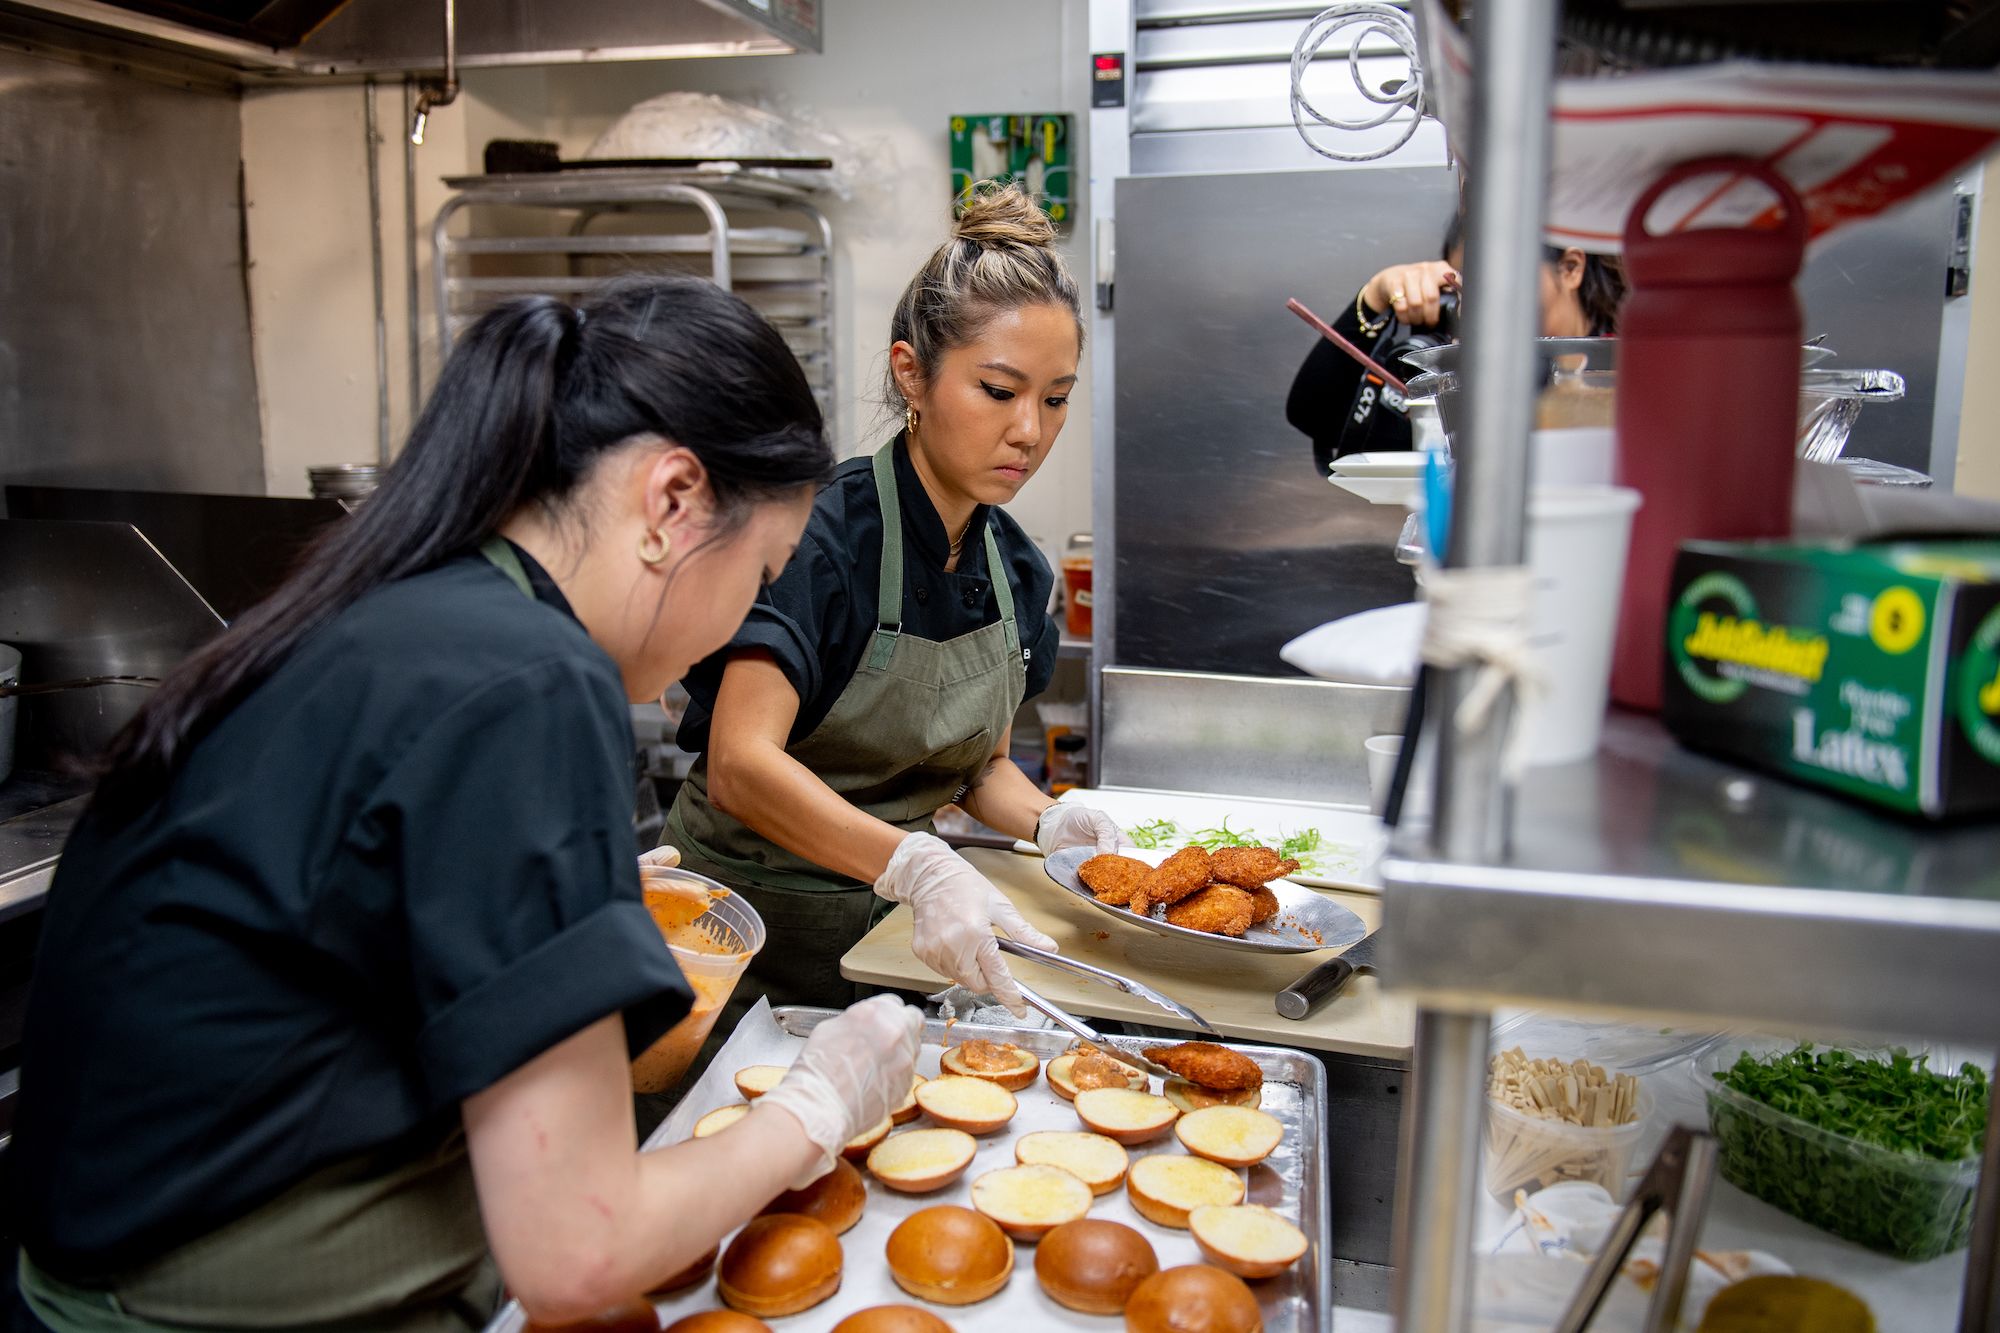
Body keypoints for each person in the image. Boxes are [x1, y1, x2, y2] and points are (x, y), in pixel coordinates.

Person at [8, 278, 923, 1332]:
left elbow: (318, 917)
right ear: (672, 501)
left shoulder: (406, 606)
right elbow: (579, 1250)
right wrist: (817, 1105)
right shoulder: (530, 675)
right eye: (759, 575)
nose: (740, 625)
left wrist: (539, 916)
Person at [665, 184, 1122, 1029]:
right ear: (911, 371)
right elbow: (739, 763)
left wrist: (1056, 822)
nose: (1030, 429)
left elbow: (970, 766)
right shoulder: (820, 538)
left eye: (1055, 398)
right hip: (738, 946)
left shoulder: (1016, 569)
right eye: (998, 389)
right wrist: (918, 862)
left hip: (889, 943)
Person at [1286, 214, 1627, 474]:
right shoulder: (1449, 366)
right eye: (1464, 280)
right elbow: (1315, 417)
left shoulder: (1625, 369)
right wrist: (1373, 297)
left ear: (1570, 268)